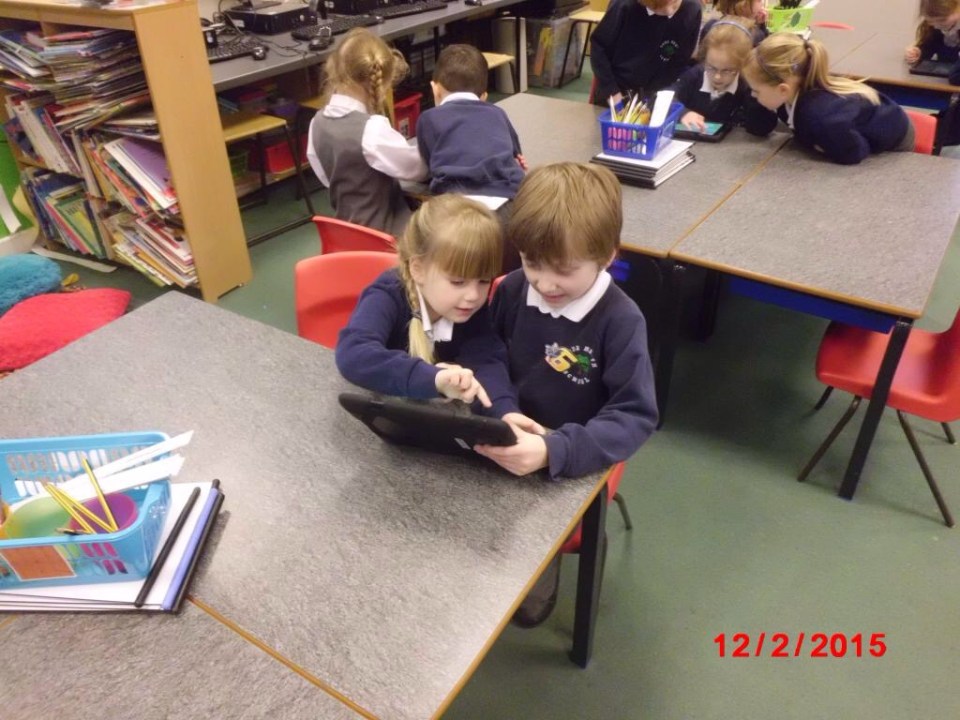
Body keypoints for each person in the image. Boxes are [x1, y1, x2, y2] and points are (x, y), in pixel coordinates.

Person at [476, 163, 659, 627]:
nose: (545, 283)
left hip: (569, 464)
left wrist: (552, 450)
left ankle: (554, 554)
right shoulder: (514, 290)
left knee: (525, 611)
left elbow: (634, 416)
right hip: (502, 437)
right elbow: (487, 354)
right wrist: (503, 409)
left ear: (607, 257)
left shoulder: (621, 321)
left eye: (564, 270)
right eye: (531, 263)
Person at [335, 194, 520, 421]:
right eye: (458, 282)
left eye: (484, 281)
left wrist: (504, 411)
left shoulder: (467, 307)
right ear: (418, 269)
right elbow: (354, 354)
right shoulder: (388, 294)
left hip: (420, 420)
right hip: (371, 418)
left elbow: (486, 358)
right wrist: (434, 379)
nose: (473, 295)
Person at [415, 44, 526, 270]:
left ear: (435, 89)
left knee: (460, 272)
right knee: (506, 272)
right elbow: (516, 153)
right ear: (484, 96)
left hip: (454, 210)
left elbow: (428, 165)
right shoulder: (497, 112)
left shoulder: (428, 118)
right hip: (506, 209)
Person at [307, 28, 426, 238]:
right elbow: (416, 169)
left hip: (348, 237)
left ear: (334, 68)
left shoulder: (316, 123)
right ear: (383, 84)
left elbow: (328, 178)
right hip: (387, 238)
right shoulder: (372, 129)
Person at [742, 33, 914, 164]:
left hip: (896, 139)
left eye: (756, 91)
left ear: (783, 90)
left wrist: (816, 145)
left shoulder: (823, 119)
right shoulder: (790, 94)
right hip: (854, 128)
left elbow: (854, 154)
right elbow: (761, 126)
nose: (752, 95)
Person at [590, 0, 702, 106]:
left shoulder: (692, 9)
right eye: (657, 7)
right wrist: (611, 90)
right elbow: (599, 46)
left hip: (657, 92)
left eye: (674, 2)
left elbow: (680, 60)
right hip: (617, 87)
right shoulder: (624, 4)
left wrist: (662, 94)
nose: (669, 11)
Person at [668, 19, 761, 131]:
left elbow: (761, 127)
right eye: (711, 67)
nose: (717, 76)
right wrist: (683, 113)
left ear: (741, 66)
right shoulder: (695, 75)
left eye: (727, 70)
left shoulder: (745, 85)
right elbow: (660, 100)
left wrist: (754, 96)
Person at [904, 0, 960, 145]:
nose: (938, 26)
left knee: (944, 132)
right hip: (948, 87)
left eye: (942, 21)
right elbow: (931, 44)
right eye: (933, 22)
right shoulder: (941, 26)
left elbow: (956, 77)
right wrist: (919, 51)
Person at [700, 0, 769, 45]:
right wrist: (760, 26)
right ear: (743, 5)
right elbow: (765, 51)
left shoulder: (711, 25)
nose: (762, 3)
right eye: (759, 0)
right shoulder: (753, 35)